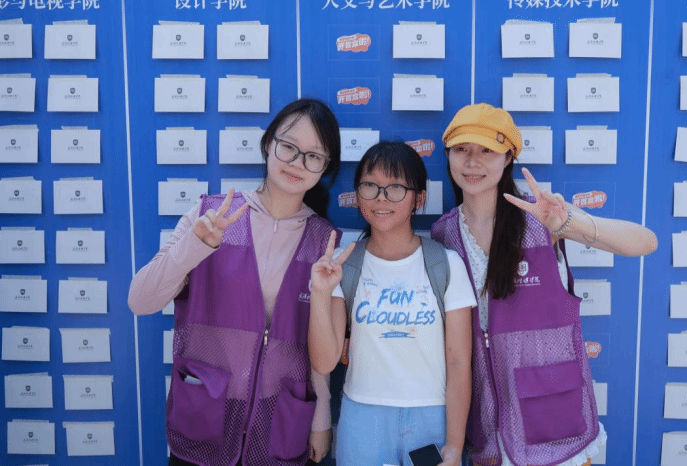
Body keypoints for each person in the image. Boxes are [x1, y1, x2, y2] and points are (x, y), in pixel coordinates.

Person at [431, 103, 658, 466]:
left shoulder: (542, 217)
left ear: (508, 157)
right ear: (448, 155)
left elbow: (644, 242)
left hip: (553, 421)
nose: (472, 162)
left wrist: (568, 224)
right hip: (486, 428)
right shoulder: (444, 233)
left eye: (487, 150)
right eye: (462, 150)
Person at [128, 98, 343, 466]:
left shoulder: (325, 241)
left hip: (277, 424)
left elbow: (318, 353)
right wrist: (195, 247)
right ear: (268, 144)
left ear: (325, 166)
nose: (297, 162)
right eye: (288, 147)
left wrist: (321, 418)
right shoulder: (211, 215)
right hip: (204, 416)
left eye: (313, 156)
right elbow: (140, 301)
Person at [307, 142, 477, 466]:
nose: (381, 198)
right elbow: (325, 362)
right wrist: (320, 293)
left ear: (419, 199)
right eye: (370, 186)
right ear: (358, 195)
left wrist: (455, 444)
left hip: (432, 417)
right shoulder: (343, 264)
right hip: (362, 419)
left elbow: (458, 362)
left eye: (396, 187)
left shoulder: (446, 264)